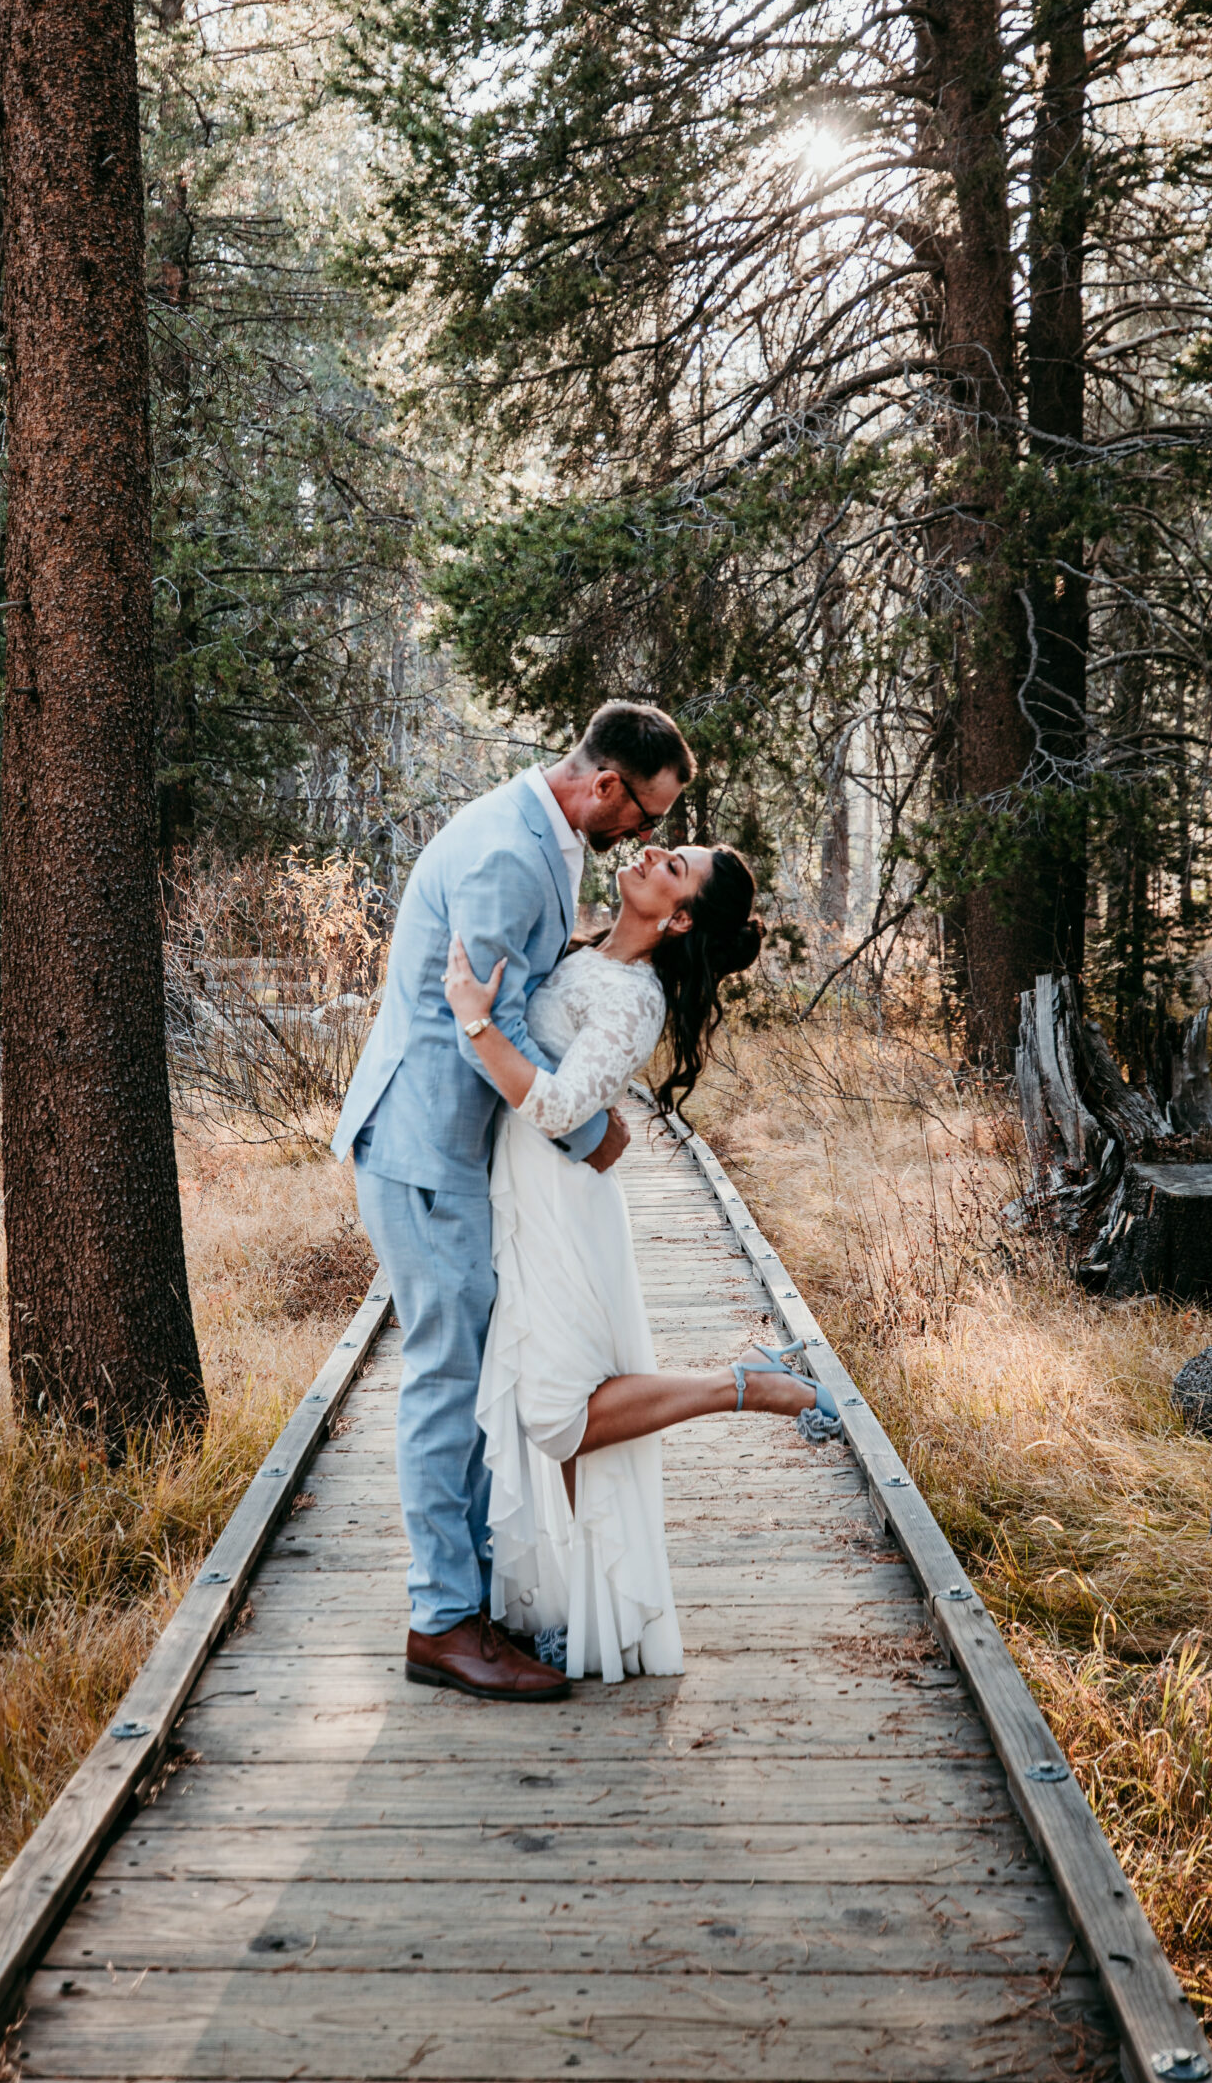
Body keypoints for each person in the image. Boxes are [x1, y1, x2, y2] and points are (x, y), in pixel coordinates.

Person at [332, 701, 695, 1702]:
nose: (647, 836)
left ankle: (474, 1598)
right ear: (610, 785)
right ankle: (443, 1622)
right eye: (648, 814)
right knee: (448, 1380)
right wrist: (590, 1130)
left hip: (458, 1154)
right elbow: (478, 1028)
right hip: (424, 1147)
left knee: (470, 1371)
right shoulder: (505, 851)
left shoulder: (546, 835)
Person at [444, 838, 841, 1685]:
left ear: (680, 917)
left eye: (674, 867)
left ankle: (744, 1385)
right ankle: (584, 1616)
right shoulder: (586, 948)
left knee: (556, 1419)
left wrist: (472, 1018)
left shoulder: (633, 998)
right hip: (527, 1197)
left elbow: (552, 1106)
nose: (655, 851)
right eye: (667, 847)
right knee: (551, 1413)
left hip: (560, 1211)